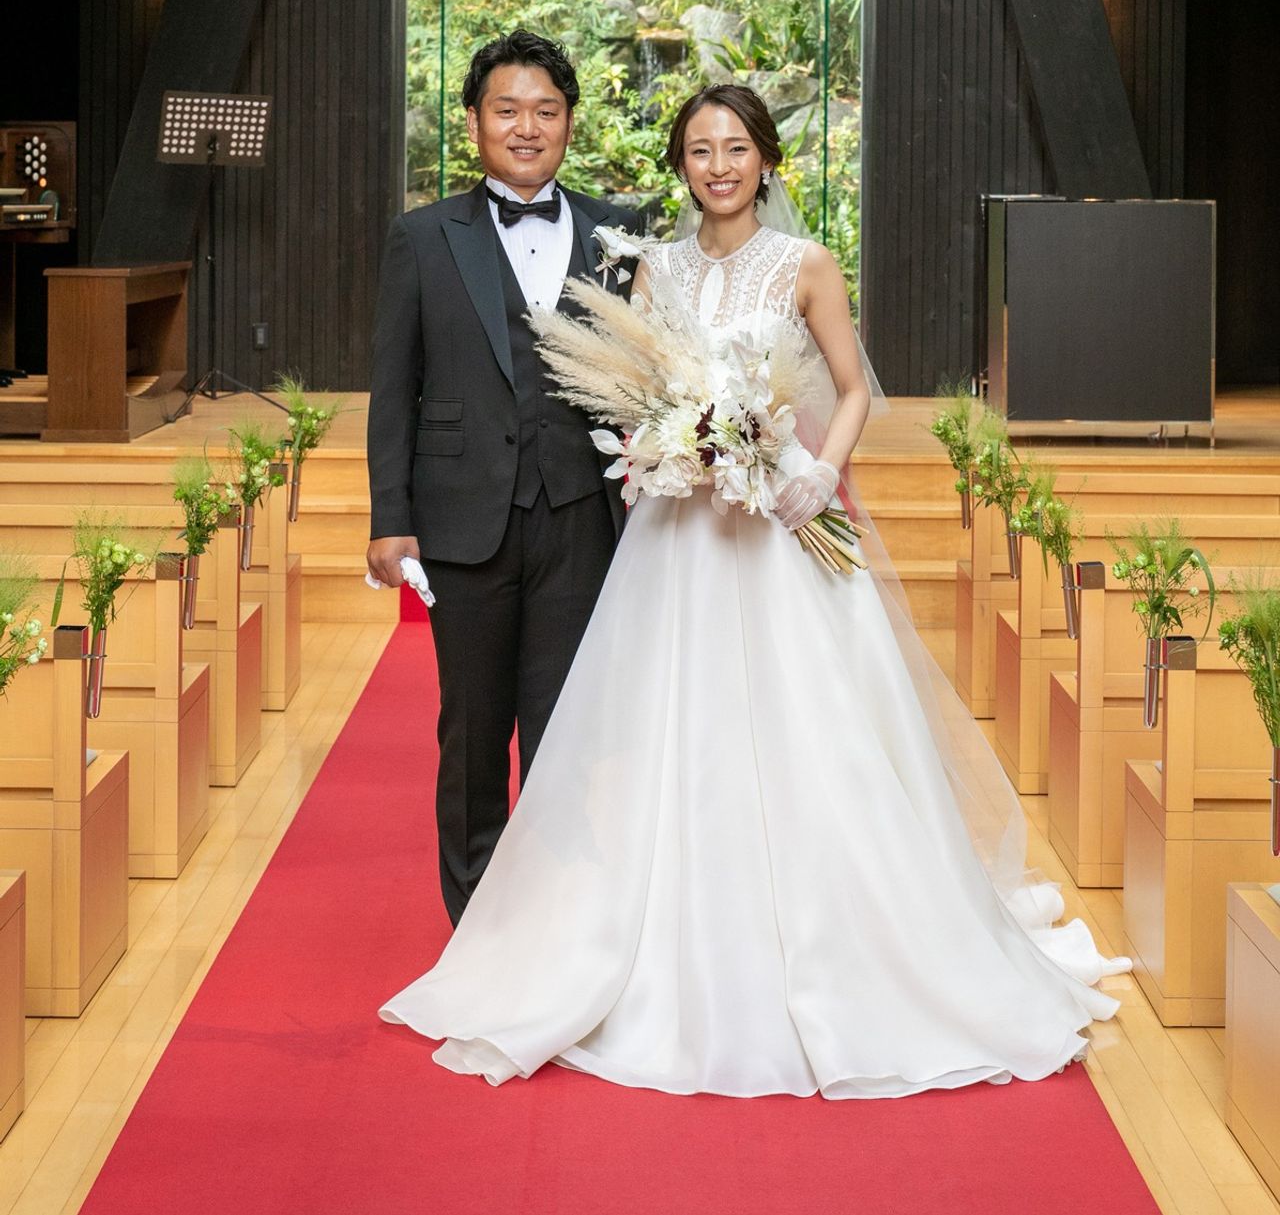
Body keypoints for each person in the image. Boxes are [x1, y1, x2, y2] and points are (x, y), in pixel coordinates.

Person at [379, 82, 1129, 1096]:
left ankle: (832, 939)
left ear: (764, 158)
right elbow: (636, 392)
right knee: (671, 734)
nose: (719, 166)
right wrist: (664, 449)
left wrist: (818, 468)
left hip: (778, 528)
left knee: (805, 731)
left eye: (735, 147)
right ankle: (639, 936)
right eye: (699, 150)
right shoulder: (655, 267)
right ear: (680, 166)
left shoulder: (805, 263)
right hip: (681, 536)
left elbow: (852, 387)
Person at [365, 30, 638, 925]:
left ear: (569, 122)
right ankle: (477, 926)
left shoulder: (617, 235)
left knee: (567, 730)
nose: (527, 127)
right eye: (507, 109)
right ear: (475, 121)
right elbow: (395, 388)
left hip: (582, 515)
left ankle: (558, 921)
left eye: (546, 110)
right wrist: (390, 515)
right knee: (473, 730)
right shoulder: (421, 236)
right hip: (463, 517)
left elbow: (646, 374)